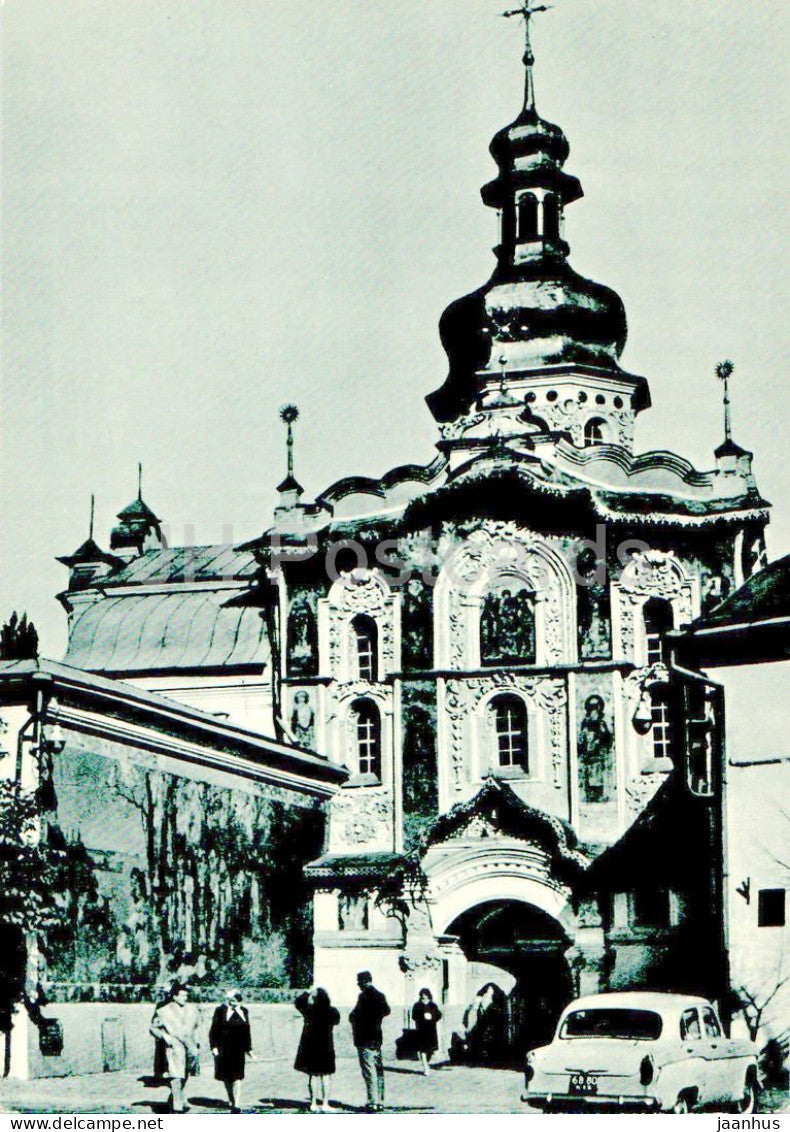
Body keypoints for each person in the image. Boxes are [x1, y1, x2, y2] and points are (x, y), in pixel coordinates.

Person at [149, 983, 200, 1113]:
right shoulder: (163, 1011)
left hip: (191, 1047)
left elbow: (197, 1027)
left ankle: (175, 1096)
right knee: (176, 1074)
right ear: (174, 996)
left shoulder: (193, 1009)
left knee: (185, 1073)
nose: (185, 998)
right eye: (182, 995)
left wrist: (197, 1042)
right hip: (174, 1046)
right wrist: (165, 1036)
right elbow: (153, 1028)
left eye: (186, 995)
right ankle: (177, 1105)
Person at [294, 987, 340, 1112]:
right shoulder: (332, 1011)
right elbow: (337, 1020)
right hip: (326, 1047)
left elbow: (298, 1002)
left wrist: (308, 992)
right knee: (325, 1076)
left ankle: (313, 1103)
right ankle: (325, 1103)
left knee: (313, 1076)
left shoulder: (309, 1010)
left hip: (311, 1047)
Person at [349, 971, 390, 1112]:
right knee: (378, 1069)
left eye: (359, 982)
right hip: (377, 1037)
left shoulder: (363, 996)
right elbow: (387, 1011)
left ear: (362, 982)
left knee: (368, 1070)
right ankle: (380, 1101)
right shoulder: (380, 995)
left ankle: (372, 1101)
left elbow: (354, 1015)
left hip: (364, 1038)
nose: (358, 985)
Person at [209, 988, 252, 1113]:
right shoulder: (220, 1011)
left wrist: (248, 1049)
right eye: (231, 1000)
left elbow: (247, 1031)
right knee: (226, 1077)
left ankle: (237, 1103)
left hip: (238, 1049)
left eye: (236, 1001)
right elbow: (214, 1030)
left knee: (238, 1076)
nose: (234, 1003)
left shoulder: (244, 1011)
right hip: (223, 1048)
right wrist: (214, 1047)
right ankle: (231, 1098)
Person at [411, 988, 442, 1075]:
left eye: (425, 995)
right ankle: (425, 1067)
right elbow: (414, 1016)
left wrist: (432, 1017)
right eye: (422, 995)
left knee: (430, 1050)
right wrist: (422, 1017)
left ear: (428, 995)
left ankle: (427, 1063)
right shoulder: (417, 1005)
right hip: (421, 1030)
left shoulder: (432, 1005)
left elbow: (439, 1015)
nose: (424, 997)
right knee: (423, 1049)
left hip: (431, 1030)